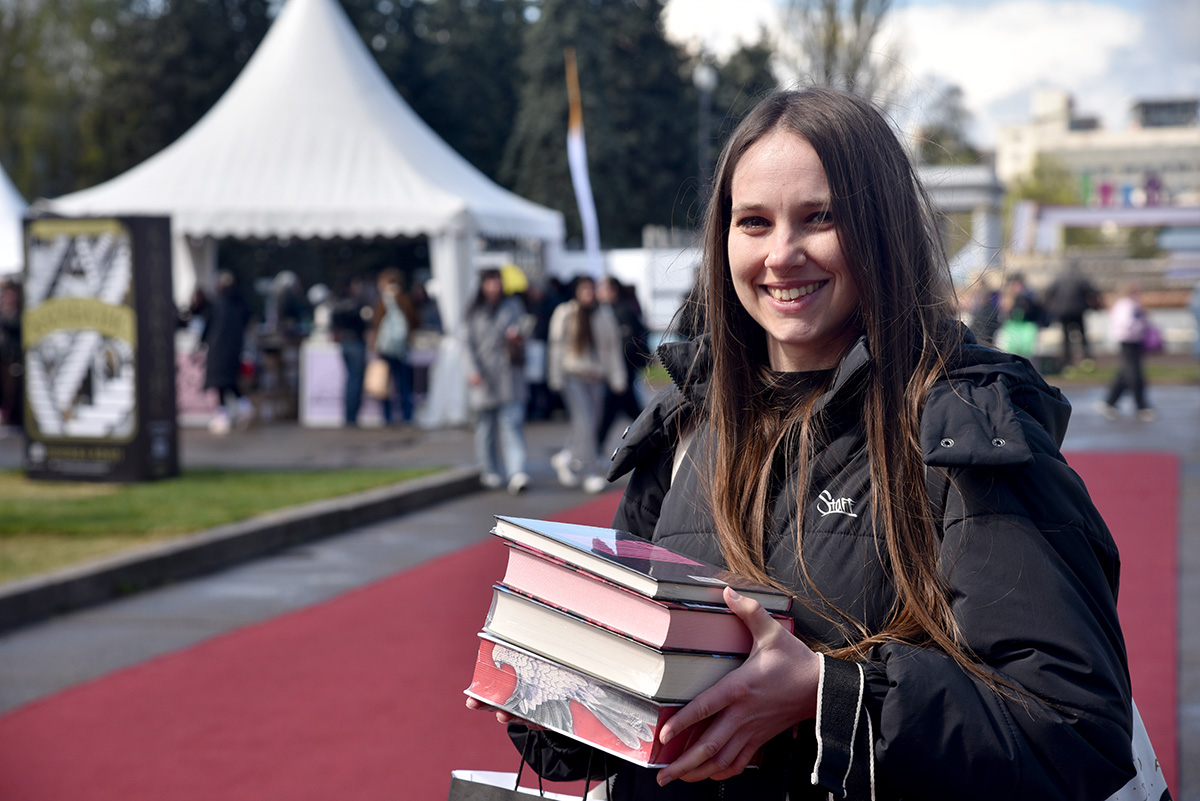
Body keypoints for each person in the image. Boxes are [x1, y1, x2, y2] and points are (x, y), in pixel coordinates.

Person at [471, 88, 1134, 800]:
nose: (782, 254)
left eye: (820, 218)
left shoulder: (965, 429)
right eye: (753, 222)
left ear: (881, 229)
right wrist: (551, 686)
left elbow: (1074, 729)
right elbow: (636, 706)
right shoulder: (684, 430)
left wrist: (827, 697)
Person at [546, 275, 627, 494]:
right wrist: (555, 377)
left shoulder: (603, 315)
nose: (589, 294)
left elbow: (612, 348)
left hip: (596, 378)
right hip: (573, 375)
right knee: (585, 421)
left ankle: (566, 456)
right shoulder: (565, 313)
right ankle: (589, 471)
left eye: (592, 289)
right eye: (585, 290)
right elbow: (556, 346)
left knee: (590, 422)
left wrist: (617, 377)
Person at [463, 268, 531, 494]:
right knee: (486, 427)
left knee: (512, 423)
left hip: (509, 374)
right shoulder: (474, 312)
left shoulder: (513, 306)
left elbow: (526, 330)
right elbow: (467, 345)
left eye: (497, 282)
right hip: (484, 375)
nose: (495, 287)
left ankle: (516, 471)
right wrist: (472, 370)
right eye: (490, 282)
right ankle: (490, 469)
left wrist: (518, 337)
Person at [595, 275, 650, 450]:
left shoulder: (621, 311)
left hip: (623, 370)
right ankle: (651, 438)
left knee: (616, 411)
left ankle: (594, 446)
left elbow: (628, 344)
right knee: (622, 411)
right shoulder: (608, 310)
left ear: (613, 290)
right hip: (620, 371)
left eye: (602, 288)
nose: (598, 292)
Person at [1095, 281, 1155, 421]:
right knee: (1134, 373)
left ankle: (1109, 401)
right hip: (1129, 340)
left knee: (1126, 372)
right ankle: (1141, 406)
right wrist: (1141, 324)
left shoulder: (1128, 304)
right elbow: (1126, 323)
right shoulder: (1126, 304)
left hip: (1132, 340)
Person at [203, 270, 253, 435]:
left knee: (222, 383)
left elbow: (208, 324)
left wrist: (202, 340)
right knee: (229, 382)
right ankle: (242, 408)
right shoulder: (239, 301)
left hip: (218, 348)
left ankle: (224, 417)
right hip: (234, 347)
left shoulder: (217, 302)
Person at [370, 267, 420, 425]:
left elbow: (377, 323)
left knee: (386, 383)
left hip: (386, 348)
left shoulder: (383, 300)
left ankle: (388, 417)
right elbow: (414, 321)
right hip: (402, 348)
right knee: (404, 384)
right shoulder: (404, 299)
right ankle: (407, 416)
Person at [330, 275, 372, 426]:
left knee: (350, 380)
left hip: (344, 343)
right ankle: (352, 417)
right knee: (355, 380)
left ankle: (349, 415)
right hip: (355, 342)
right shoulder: (357, 303)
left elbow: (332, 324)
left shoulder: (336, 303)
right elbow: (364, 323)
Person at [1043, 259, 1100, 369]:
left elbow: (1049, 293)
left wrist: (1051, 306)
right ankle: (1086, 358)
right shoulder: (1080, 277)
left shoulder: (1059, 278)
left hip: (1062, 311)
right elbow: (1093, 290)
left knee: (1065, 338)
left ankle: (1067, 361)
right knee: (1082, 336)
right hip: (1078, 310)